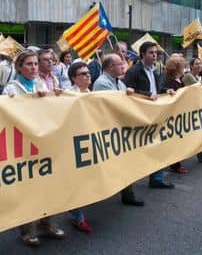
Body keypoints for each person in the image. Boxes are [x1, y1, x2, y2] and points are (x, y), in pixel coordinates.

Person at [2, 50, 66, 246]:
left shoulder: (43, 83)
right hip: (25, 145)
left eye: (35, 64)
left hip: (45, 140)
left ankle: (47, 223)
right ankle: (27, 230)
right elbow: (9, 113)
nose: (33, 68)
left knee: (49, 185)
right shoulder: (11, 88)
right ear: (19, 67)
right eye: (29, 64)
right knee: (29, 188)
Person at [93, 54, 144, 206]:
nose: (123, 67)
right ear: (110, 67)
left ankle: (127, 194)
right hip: (107, 129)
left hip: (119, 129)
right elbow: (116, 105)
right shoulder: (102, 83)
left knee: (125, 162)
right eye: (120, 64)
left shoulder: (118, 83)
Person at [124, 41, 175, 189]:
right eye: (151, 53)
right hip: (140, 116)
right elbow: (128, 92)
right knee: (136, 152)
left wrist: (167, 91)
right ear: (142, 54)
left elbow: (156, 90)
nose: (155, 56)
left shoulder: (155, 71)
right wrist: (147, 95)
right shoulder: (133, 71)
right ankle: (129, 188)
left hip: (155, 115)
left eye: (156, 53)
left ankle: (157, 179)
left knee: (158, 146)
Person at [65, 62, 94, 232]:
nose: (87, 76)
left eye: (88, 73)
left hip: (88, 142)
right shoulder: (68, 95)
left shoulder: (92, 95)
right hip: (73, 144)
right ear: (73, 78)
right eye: (83, 74)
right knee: (76, 181)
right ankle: (78, 216)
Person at [161, 56, 189, 173]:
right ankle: (175, 164)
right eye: (182, 66)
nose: (184, 68)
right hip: (172, 115)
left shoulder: (180, 79)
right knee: (172, 140)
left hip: (180, 114)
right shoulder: (168, 80)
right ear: (177, 68)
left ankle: (176, 162)